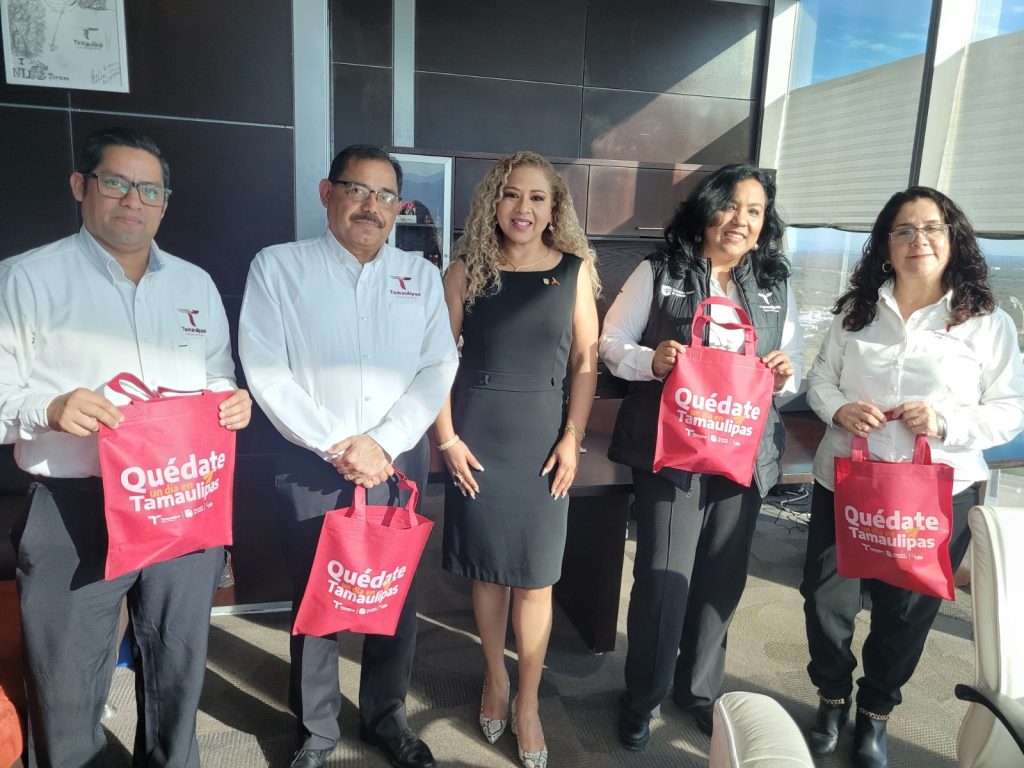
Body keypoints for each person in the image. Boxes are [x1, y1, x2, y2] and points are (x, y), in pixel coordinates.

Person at [0, 126, 252, 767]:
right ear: (80, 186)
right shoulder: (26, 279)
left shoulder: (195, 284)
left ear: (165, 203)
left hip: (181, 498)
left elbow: (218, 375)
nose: (133, 200)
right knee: (66, 684)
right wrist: (48, 409)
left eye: (150, 189)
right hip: (74, 507)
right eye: (116, 182)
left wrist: (231, 401)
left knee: (178, 666)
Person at [238, 145, 457, 768]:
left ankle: (388, 717)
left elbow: (438, 365)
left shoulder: (420, 276)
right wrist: (340, 445)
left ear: (399, 207)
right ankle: (317, 729)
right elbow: (265, 369)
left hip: (395, 463)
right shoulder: (279, 268)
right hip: (313, 465)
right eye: (357, 190)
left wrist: (382, 443)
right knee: (318, 599)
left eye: (385, 196)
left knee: (395, 593)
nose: (371, 206)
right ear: (326, 192)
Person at [801, 187, 1024, 768]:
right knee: (826, 602)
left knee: (905, 616)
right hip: (847, 485)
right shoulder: (855, 313)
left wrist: (945, 422)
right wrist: (839, 409)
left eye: (931, 228)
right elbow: (820, 379)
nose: (917, 240)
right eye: (903, 230)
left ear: (953, 240)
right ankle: (831, 699)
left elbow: (1011, 410)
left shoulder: (986, 322)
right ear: (886, 244)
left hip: (937, 494)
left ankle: (876, 713)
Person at [599, 164, 803, 749]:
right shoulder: (658, 271)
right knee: (663, 577)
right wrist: (651, 361)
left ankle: (699, 692)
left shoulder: (775, 284)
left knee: (721, 579)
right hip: (673, 450)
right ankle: (643, 695)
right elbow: (610, 344)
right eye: (731, 205)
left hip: (745, 451)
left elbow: (792, 366)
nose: (741, 220)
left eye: (754, 211)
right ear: (705, 209)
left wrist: (784, 371)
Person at [434, 151, 599, 768]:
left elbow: (585, 361)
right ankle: (495, 677)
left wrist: (572, 437)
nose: (522, 207)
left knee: (535, 577)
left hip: (543, 443)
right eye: (510, 194)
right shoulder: (463, 273)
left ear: (554, 209)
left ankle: (528, 699)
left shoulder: (575, 272)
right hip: (478, 439)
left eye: (536, 197)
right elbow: (437, 362)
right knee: (488, 573)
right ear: (492, 203)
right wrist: (447, 439)